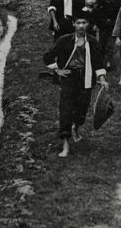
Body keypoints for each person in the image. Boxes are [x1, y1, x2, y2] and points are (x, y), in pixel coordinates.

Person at [43, 12, 108, 158]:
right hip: (69, 78)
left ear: (88, 24)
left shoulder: (92, 42)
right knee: (65, 109)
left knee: (82, 108)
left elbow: (98, 62)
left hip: (86, 78)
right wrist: (57, 70)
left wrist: (102, 78)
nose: (81, 26)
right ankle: (65, 144)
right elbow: (48, 56)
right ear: (73, 24)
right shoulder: (64, 40)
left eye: (84, 23)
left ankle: (76, 128)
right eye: (78, 23)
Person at [96, 0, 120, 68]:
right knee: (102, 44)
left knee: (110, 45)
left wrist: (112, 22)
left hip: (112, 28)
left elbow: (117, 16)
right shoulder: (100, 4)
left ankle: (108, 61)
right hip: (103, 27)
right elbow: (98, 16)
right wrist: (102, 22)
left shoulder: (116, 4)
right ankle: (101, 61)